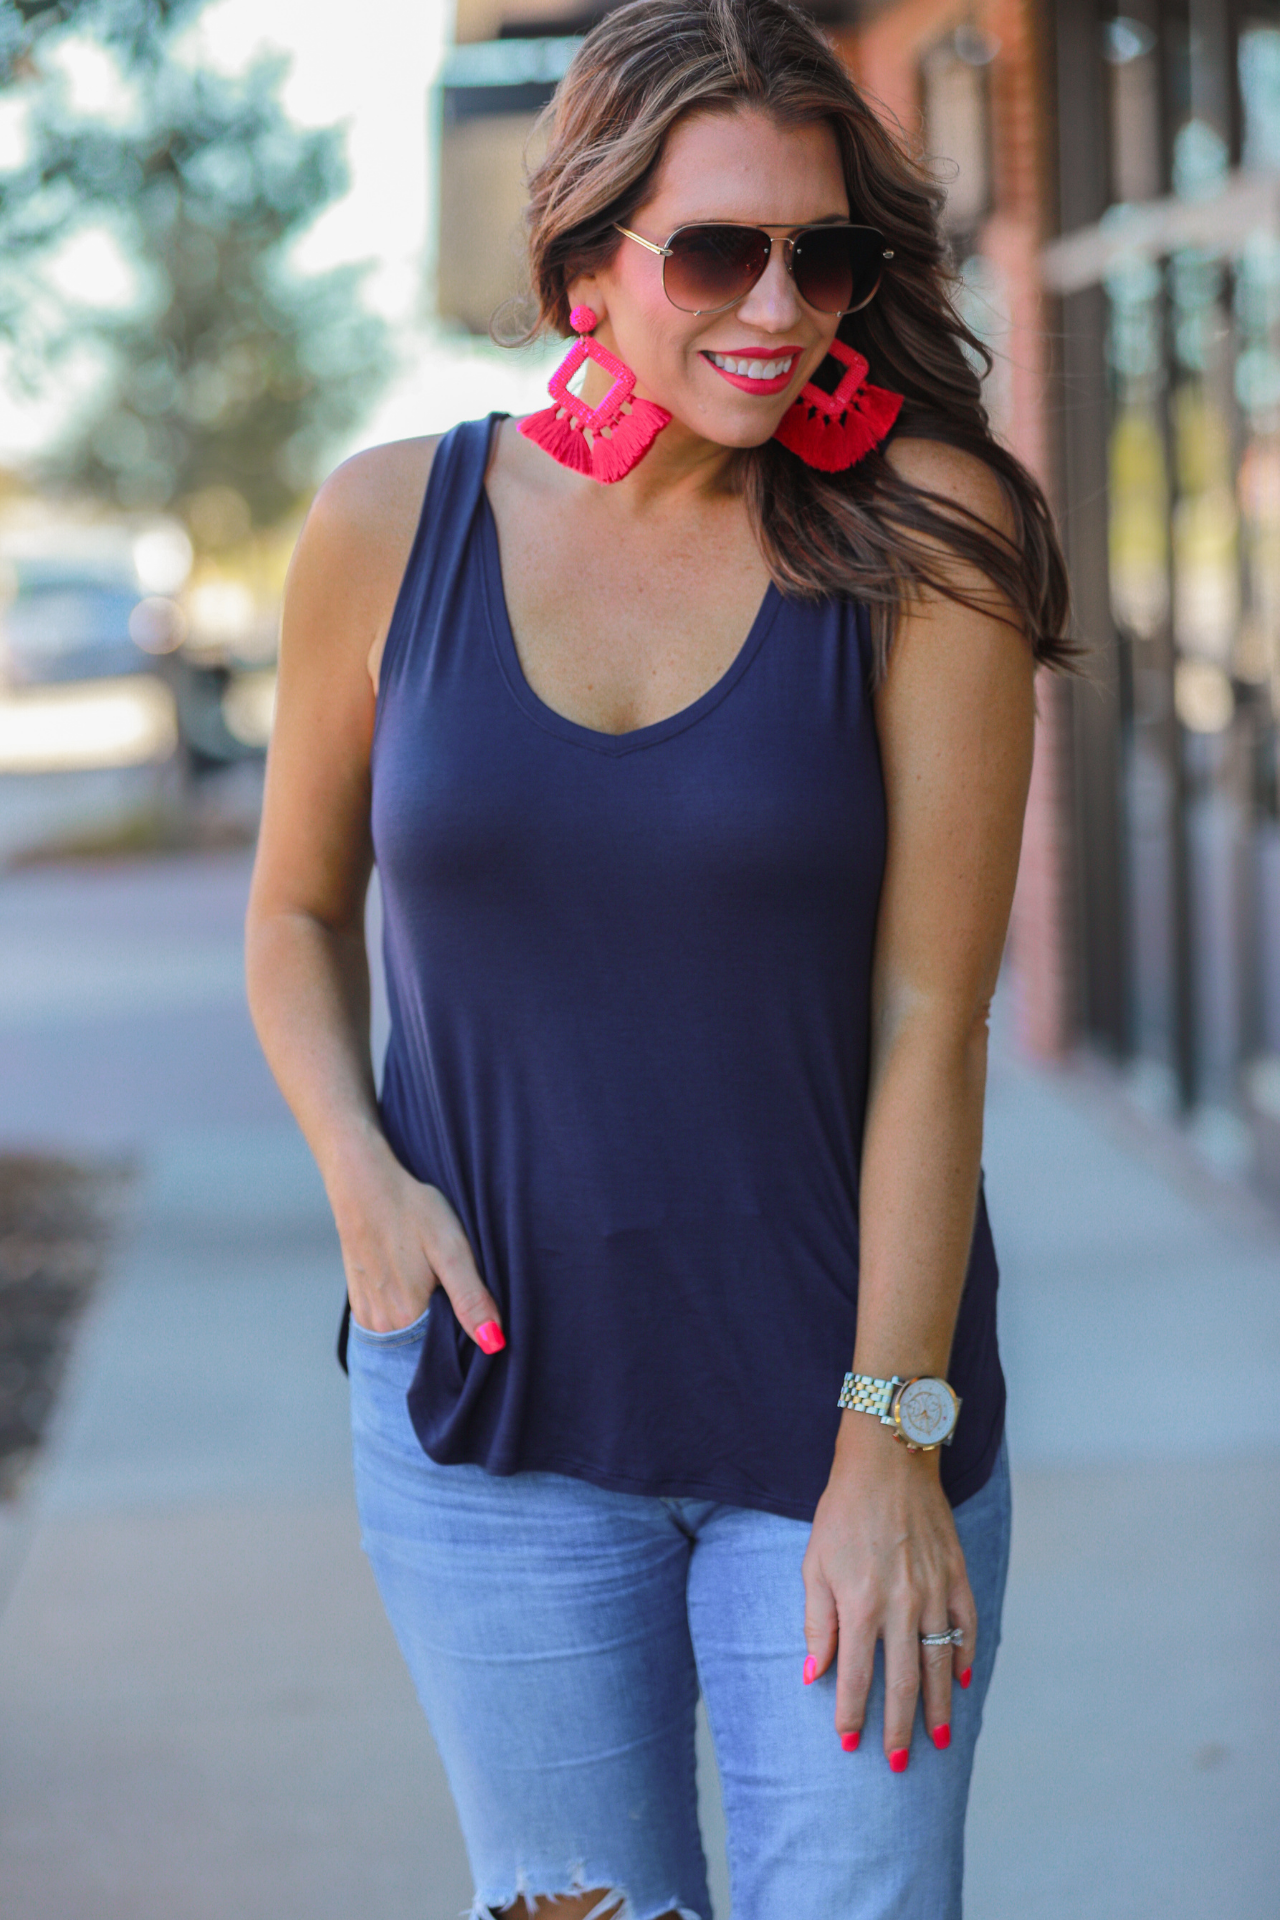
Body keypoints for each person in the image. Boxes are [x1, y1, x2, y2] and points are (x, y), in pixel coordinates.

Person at [245, 2, 1071, 1915]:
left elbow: (933, 1018)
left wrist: (891, 1441)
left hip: (837, 1399)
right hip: (493, 1413)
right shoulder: (387, 526)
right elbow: (293, 915)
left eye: (825, 253)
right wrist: (361, 1189)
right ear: (584, 259)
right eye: (717, 250)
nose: (779, 306)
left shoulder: (929, 535)